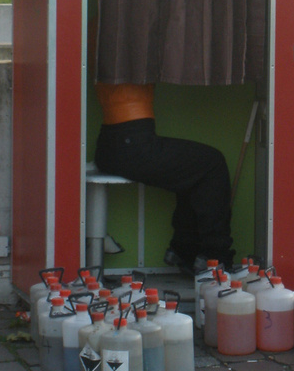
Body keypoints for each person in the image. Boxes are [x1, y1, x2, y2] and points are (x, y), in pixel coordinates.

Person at [93, 82, 234, 273]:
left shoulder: (111, 57)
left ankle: (185, 250)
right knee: (212, 164)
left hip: (108, 145)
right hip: (133, 144)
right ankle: (215, 258)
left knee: (192, 170)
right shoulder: (134, 54)